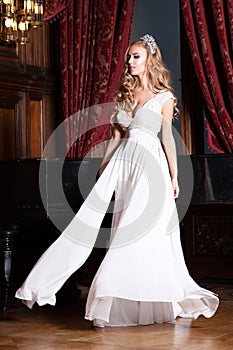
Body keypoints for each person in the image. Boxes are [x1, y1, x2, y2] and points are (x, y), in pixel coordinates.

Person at [15, 34, 219, 327]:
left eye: (136, 56)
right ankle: (44, 285)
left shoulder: (165, 97)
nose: (130, 62)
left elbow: (167, 140)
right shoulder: (124, 96)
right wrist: (104, 168)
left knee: (143, 233)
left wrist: (174, 176)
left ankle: (125, 298)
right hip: (123, 169)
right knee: (99, 226)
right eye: (128, 57)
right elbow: (115, 137)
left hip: (152, 168)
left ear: (149, 58)